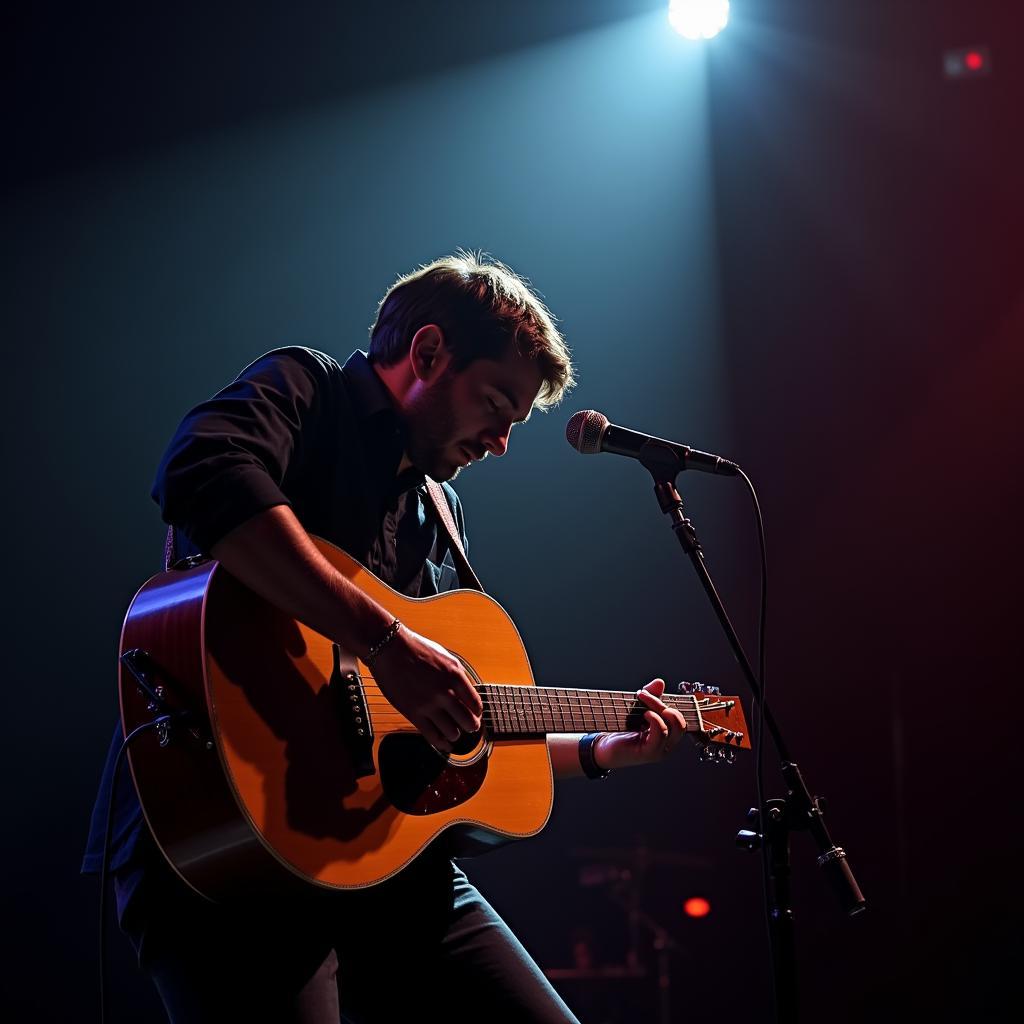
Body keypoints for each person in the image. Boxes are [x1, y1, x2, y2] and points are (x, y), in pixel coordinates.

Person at [83, 251, 688, 1022]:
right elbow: (203, 470)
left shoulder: (442, 513)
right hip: (232, 849)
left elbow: (449, 724)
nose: (501, 441)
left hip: (384, 864)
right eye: (495, 402)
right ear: (428, 352)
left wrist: (605, 751)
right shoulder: (308, 390)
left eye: (514, 422)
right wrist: (388, 644)